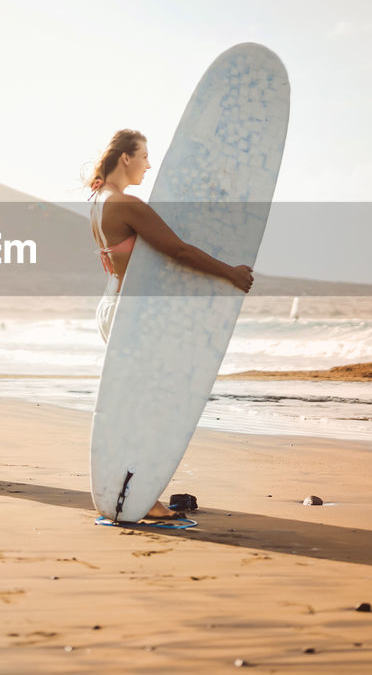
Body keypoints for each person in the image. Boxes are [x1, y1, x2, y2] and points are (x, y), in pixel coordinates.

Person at [87, 129, 254, 517]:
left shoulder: (98, 200)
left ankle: (128, 489)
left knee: (137, 403)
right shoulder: (125, 204)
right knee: (149, 407)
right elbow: (177, 249)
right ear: (125, 158)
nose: (149, 164)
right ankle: (141, 497)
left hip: (113, 305)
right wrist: (229, 273)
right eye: (144, 156)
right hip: (130, 315)